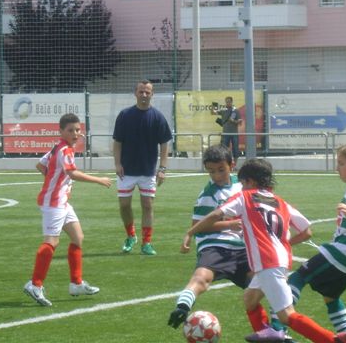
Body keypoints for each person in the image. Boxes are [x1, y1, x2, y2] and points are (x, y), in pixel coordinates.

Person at [182, 158, 346, 343]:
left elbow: (216, 214)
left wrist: (190, 232)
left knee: (286, 315)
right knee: (250, 299)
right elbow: (307, 231)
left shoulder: (245, 197)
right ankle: (269, 335)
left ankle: (333, 340)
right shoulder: (279, 202)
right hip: (279, 259)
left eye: (243, 183)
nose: (241, 187)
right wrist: (284, 244)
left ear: (250, 181)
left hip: (267, 262)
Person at [288, 141, 346, 343]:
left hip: (342, 253)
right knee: (330, 298)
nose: (337, 168)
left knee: (297, 277)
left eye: (341, 163)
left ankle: (277, 328)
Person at [23, 113, 112, 307]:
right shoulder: (65, 150)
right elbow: (72, 173)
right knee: (51, 242)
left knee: (77, 237)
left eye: (78, 130)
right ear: (61, 131)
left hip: (61, 202)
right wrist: (99, 180)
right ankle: (35, 284)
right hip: (53, 203)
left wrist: (54, 178)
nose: (75, 133)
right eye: (70, 130)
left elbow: (41, 165)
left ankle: (76, 284)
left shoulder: (58, 147)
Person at [167, 144, 248, 328]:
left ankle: (275, 329)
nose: (217, 175)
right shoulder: (208, 195)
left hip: (241, 247)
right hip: (215, 245)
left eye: (221, 170)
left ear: (232, 165)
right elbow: (198, 227)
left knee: (259, 285)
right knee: (201, 278)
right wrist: (229, 224)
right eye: (211, 171)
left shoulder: (242, 185)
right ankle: (182, 307)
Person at [113, 80, 172, 256]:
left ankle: (147, 242)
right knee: (124, 205)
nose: (144, 95)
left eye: (147, 92)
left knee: (147, 205)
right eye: (141, 92)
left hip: (148, 171)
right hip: (126, 170)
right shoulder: (125, 115)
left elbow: (164, 144)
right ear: (135, 93)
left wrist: (162, 168)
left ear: (152, 94)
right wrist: (117, 163)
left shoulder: (158, 117)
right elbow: (117, 142)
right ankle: (131, 236)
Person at [211, 96, 242, 164]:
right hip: (225, 133)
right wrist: (214, 104)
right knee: (224, 150)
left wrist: (233, 121)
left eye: (229, 102)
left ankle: (235, 165)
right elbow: (213, 112)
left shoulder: (235, 110)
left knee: (235, 149)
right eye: (227, 102)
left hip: (234, 133)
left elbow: (240, 122)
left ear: (232, 102)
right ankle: (226, 164)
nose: (228, 103)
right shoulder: (223, 110)